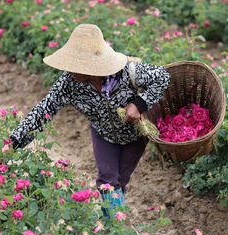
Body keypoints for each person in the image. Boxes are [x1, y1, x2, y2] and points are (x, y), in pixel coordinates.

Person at [10, 24, 171, 217]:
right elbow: (44, 109)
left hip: (134, 137)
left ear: (93, 65)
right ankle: (119, 226)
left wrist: (139, 104)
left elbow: (163, 76)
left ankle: (109, 221)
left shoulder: (127, 72)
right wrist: (13, 143)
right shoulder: (68, 83)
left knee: (119, 183)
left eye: (76, 65)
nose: (70, 70)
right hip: (102, 134)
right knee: (107, 180)